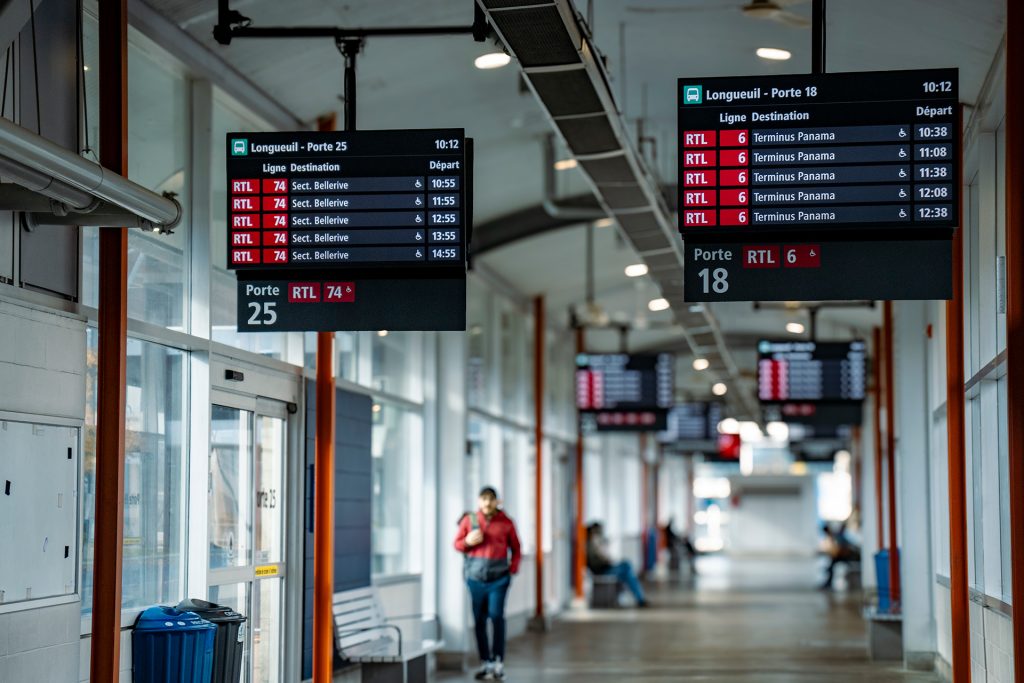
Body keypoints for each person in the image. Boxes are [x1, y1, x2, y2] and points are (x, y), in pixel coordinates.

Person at [454, 486, 521, 681]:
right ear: (478, 501)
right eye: (483, 499)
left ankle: (499, 661)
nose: (487, 503)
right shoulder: (470, 520)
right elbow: (457, 544)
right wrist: (467, 541)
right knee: (479, 620)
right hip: (475, 579)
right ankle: (486, 662)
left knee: (496, 616)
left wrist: (512, 569)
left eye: (491, 499)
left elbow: (516, 548)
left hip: (499, 579)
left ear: (497, 502)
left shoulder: (506, 522)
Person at [586, 522, 648, 606]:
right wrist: (606, 559)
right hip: (602, 570)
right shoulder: (591, 544)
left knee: (627, 571)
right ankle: (640, 598)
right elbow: (598, 562)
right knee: (627, 568)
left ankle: (639, 598)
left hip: (606, 567)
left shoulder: (596, 543)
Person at [820, 522, 861, 590]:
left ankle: (828, 583)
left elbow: (845, 549)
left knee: (831, 566)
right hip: (844, 557)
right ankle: (828, 583)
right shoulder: (835, 537)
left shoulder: (839, 537)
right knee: (831, 565)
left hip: (849, 557)